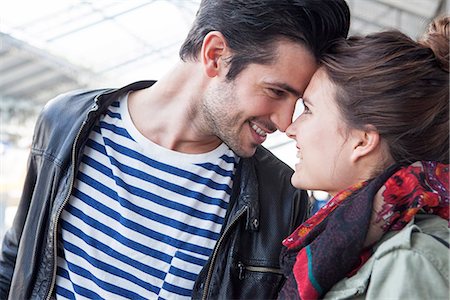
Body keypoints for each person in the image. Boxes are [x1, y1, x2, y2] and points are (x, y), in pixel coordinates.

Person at [0, 1, 350, 299]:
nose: (286, 120)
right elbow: (15, 264)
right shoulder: (66, 122)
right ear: (215, 55)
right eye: (276, 91)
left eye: (298, 101)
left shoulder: (282, 196)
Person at [279, 16, 449, 299]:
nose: (290, 128)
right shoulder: (348, 243)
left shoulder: (410, 259)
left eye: (308, 109)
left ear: (362, 141)